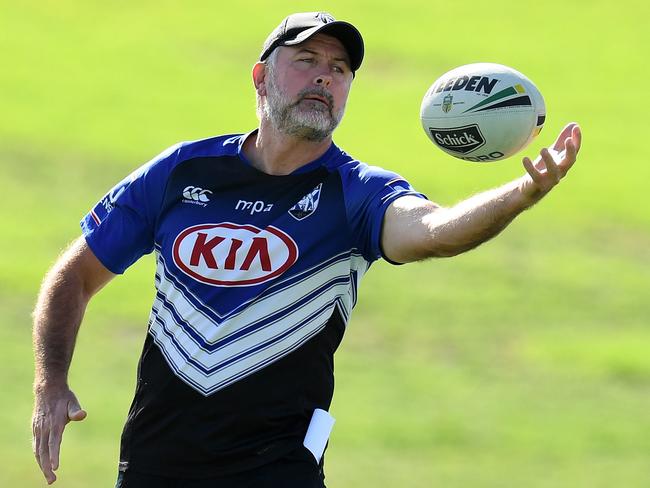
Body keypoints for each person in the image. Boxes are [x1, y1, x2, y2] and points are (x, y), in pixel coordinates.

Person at [31, 11, 582, 488]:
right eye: (307, 59)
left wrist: (521, 193)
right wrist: (50, 382)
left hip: (276, 472)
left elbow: (432, 232)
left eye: (340, 69)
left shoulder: (357, 191)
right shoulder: (183, 170)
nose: (325, 75)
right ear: (261, 77)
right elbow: (75, 275)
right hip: (154, 465)